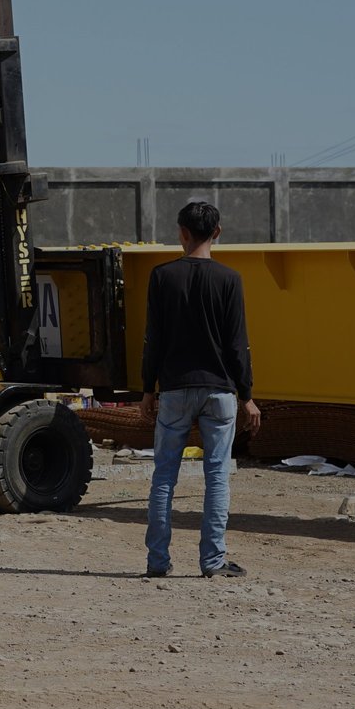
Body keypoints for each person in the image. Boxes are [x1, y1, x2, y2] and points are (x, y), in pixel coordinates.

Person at [139, 200, 261, 579]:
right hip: (219, 391)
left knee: (164, 476)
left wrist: (147, 389)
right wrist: (247, 396)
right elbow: (237, 344)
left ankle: (158, 561)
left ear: (182, 233)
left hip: (174, 389)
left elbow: (152, 341)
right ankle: (212, 561)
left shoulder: (161, 277)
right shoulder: (229, 280)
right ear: (218, 233)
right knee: (217, 477)